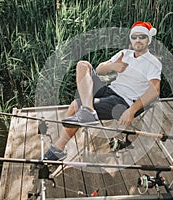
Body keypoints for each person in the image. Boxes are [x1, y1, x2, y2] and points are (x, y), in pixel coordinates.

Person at [42, 21, 162, 161]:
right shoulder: (125, 54)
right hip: (110, 90)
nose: (138, 40)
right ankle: (88, 110)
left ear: (149, 39)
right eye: (134, 37)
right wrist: (114, 66)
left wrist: (132, 110)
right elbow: (99, 69)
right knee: (83, 65)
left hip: (124, 101)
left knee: (75, 105)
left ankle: (58, 149)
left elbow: (155, 91)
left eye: (142, 36)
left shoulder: (152, 62)